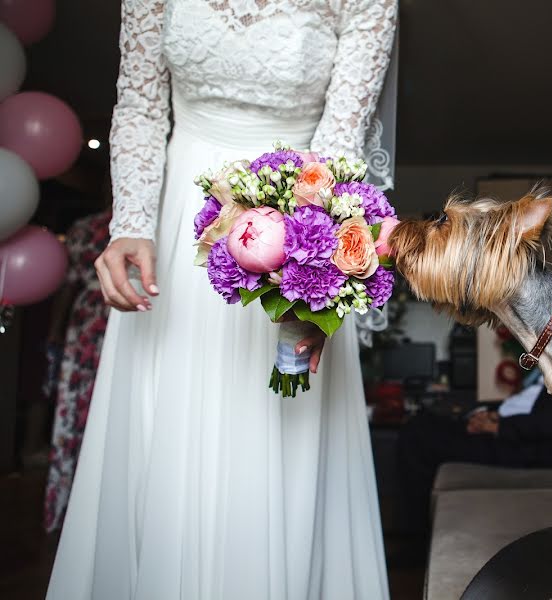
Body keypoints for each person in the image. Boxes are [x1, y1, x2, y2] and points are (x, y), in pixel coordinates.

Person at [47, 2, 397, 599]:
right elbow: (139, 104)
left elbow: (342, 139)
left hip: (292, 229)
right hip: (178, 231)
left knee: (276, 432)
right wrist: (130, 221)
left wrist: (313, 282)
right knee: (164, 430)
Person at [398, 287, 552, 533]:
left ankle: (412, 537)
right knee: (426, 420)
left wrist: (496, 426)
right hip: (517, 430)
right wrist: (493, 415)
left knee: (418, 435)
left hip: (529, 449)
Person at [43, 209, 112, 533]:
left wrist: (56, 330)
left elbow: (68, 288)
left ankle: (67, 506)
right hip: (105, 318)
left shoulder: (83, 227)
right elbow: (67, 284)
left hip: (90, 318)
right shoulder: (84, 227)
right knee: (95, 409)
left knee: (77, 411)